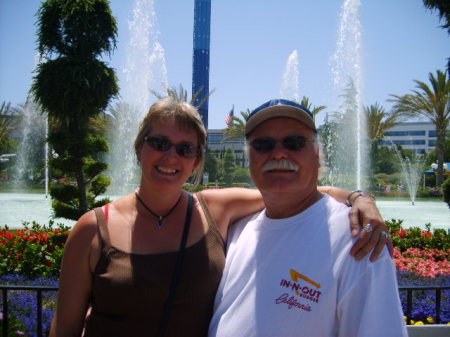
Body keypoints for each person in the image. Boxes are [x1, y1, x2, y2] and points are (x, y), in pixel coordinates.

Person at [50, 97, 390, 337]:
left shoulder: (213, 209)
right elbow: (64, 330)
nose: (171, 156)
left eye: (186, 149)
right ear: (140, 147)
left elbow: (293, 188)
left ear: (197, 161)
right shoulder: (94, 228)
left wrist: (361, 198)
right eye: (159, 142)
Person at [208, 99, 407, 337]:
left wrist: (361, 197)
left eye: (295, 142)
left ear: (317, 154)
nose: (279, 153)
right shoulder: (239, 230)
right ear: (249, 157)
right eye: (263, 144)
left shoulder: (359, 239)